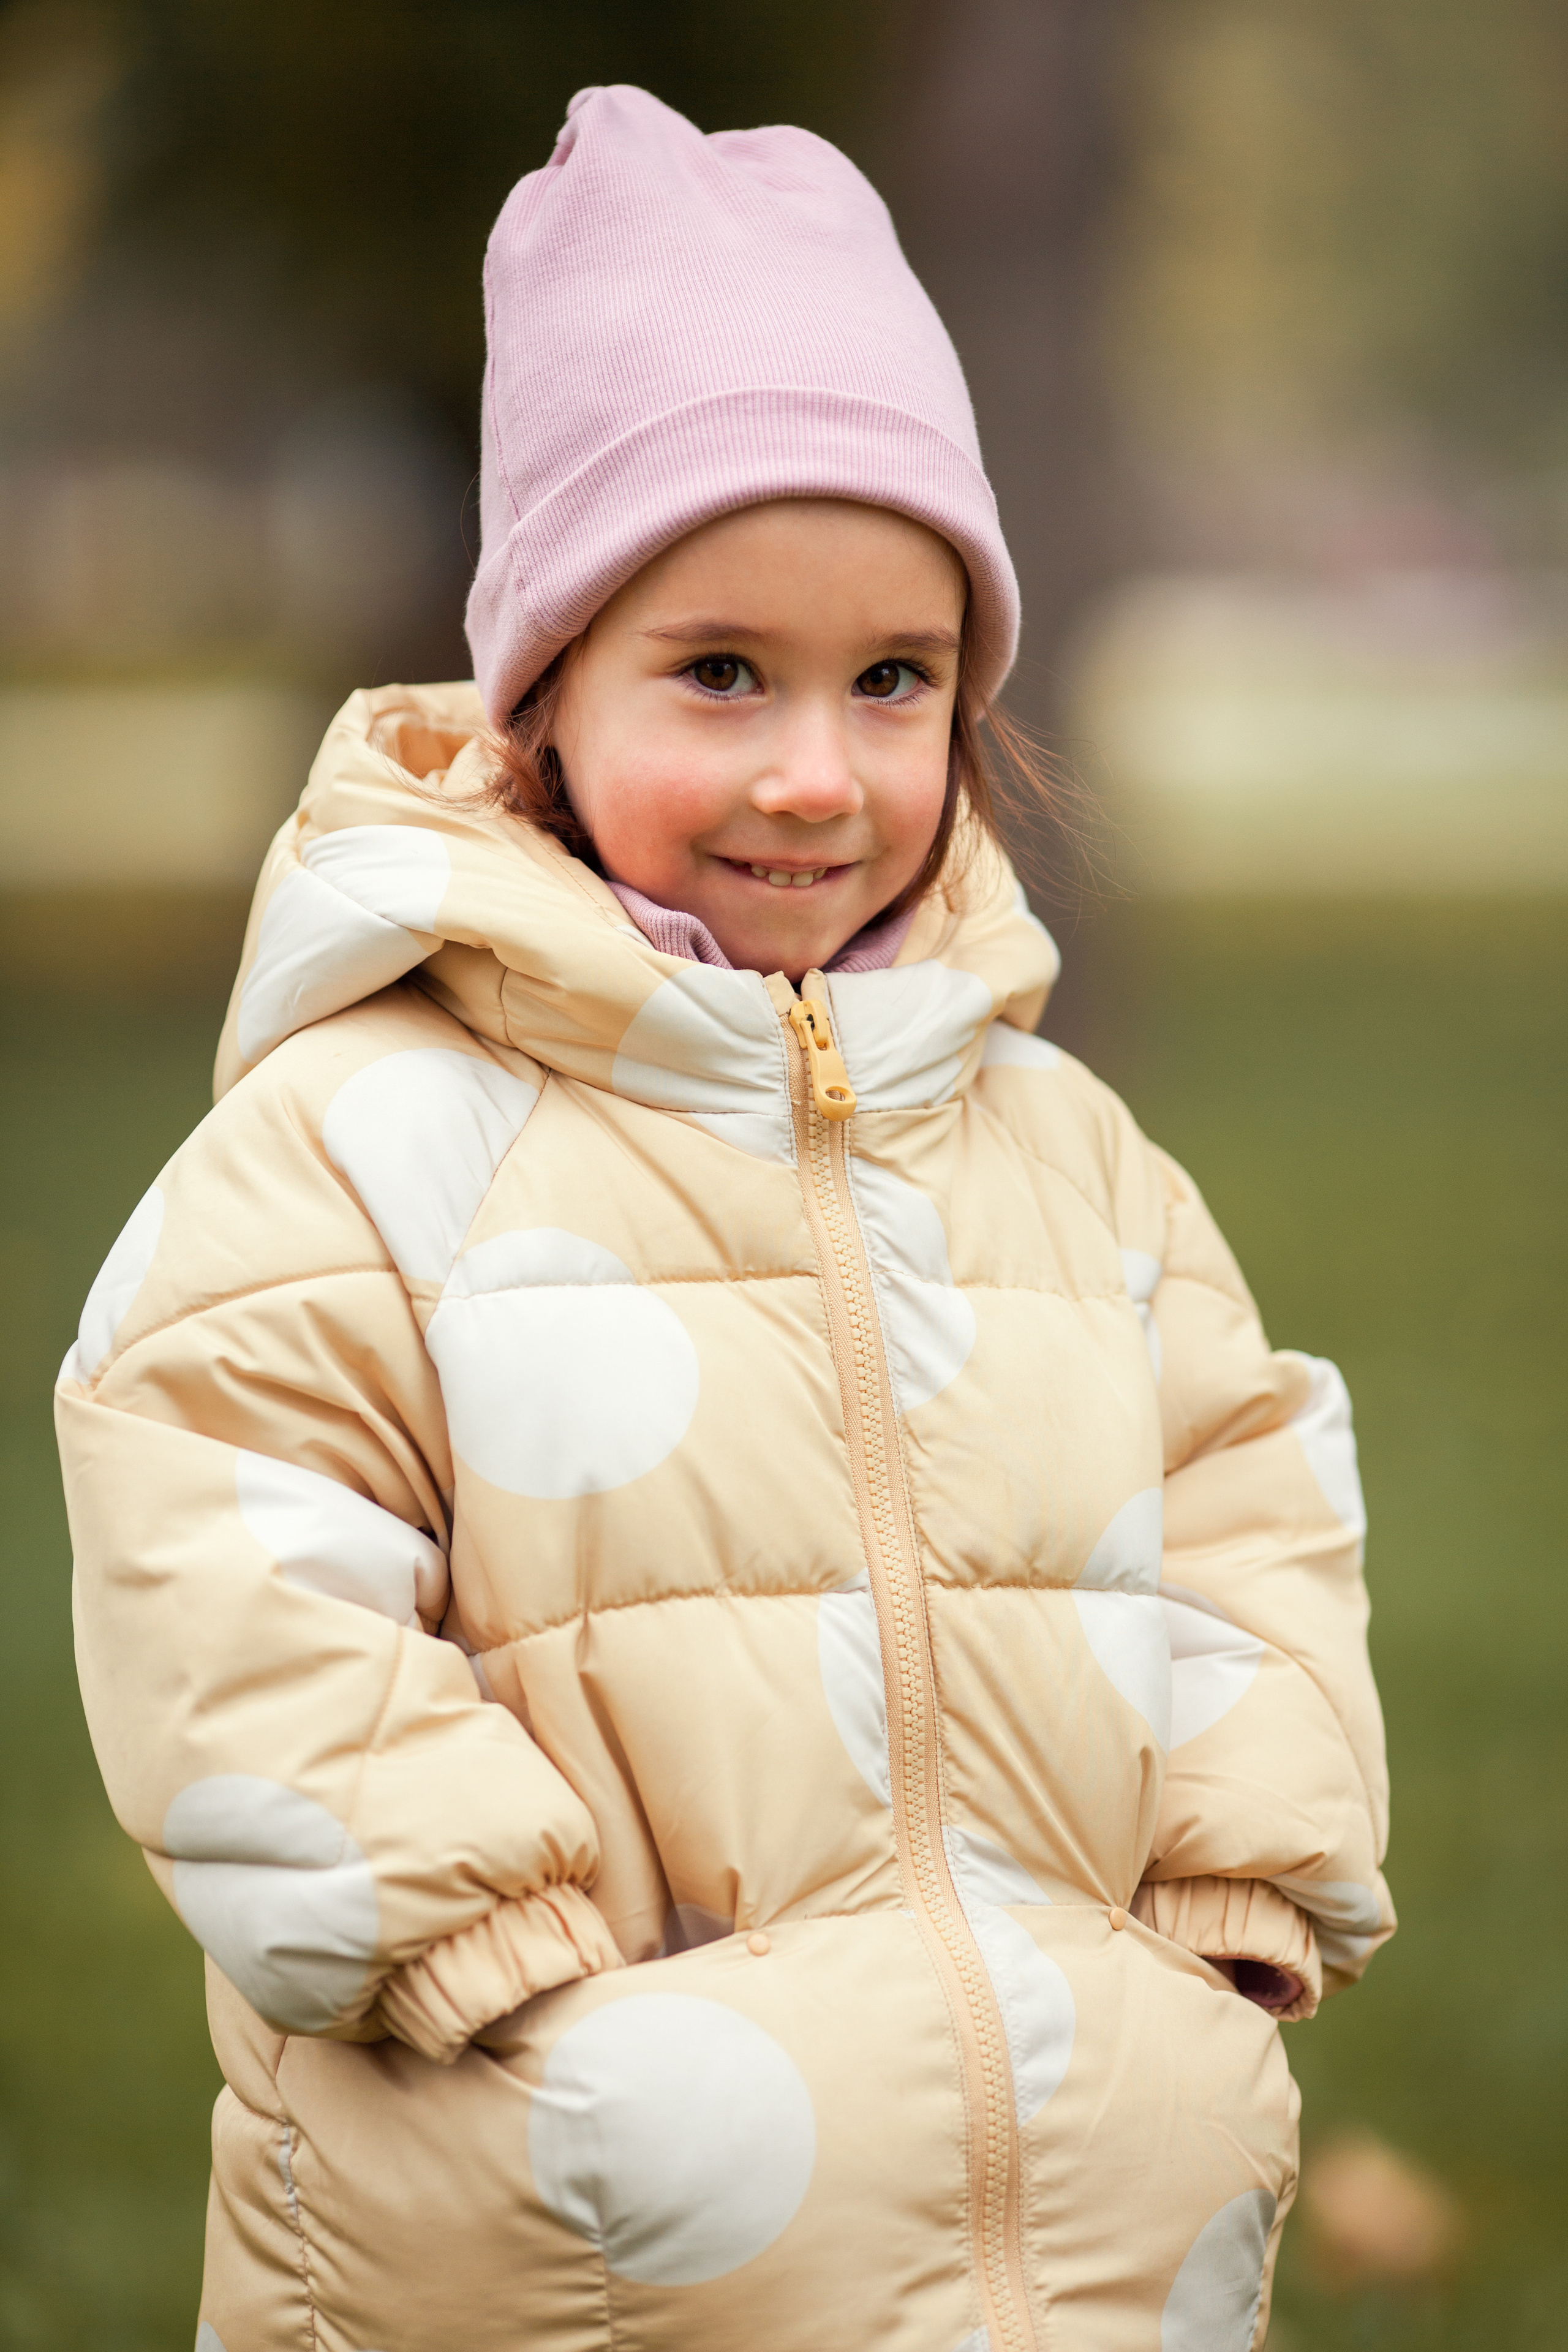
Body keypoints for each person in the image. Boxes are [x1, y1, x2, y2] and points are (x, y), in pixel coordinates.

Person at [56, 84, 1392, 2352]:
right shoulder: (370, 1141)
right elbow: (221, 1540)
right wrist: (495, 1966)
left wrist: (1226, 1901)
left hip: (1073, 2252)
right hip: (559, 2236)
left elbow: (1251, 1491)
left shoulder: (1066, 1156)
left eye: (895, 681)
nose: (816, 770)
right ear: (542, 694)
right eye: (719, 672)